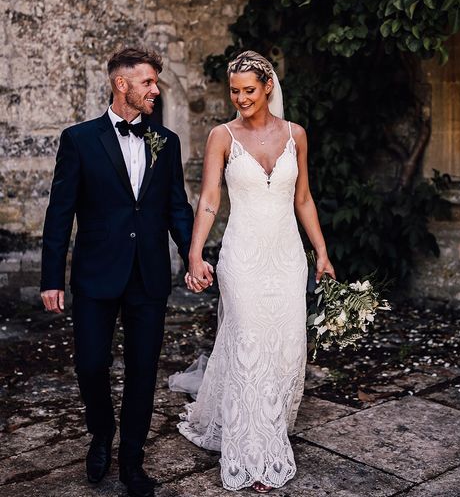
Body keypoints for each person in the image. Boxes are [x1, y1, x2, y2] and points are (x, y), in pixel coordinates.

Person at [40, 47, 204, 497]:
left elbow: (176, 206)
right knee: (91, 364)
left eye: (156, 82)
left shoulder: (165, 142)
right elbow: (60, 212)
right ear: (122, 84)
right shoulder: (79, 140)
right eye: (149, 82)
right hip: (95, 276)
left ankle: (133, 459)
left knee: (143, 370)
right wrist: (51, 277)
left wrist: (192, 256)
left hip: (148, 276)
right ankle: (100, 434)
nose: (155, 90)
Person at [172, 50, 335, 493]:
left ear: (268, 88)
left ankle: (269, 426)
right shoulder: (221, 136)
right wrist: (193, 253)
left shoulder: (296, 135)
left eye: (249, 90)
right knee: (247, 344)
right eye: (235, 91)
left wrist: (321, 252)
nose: (241, 98)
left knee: (284, 348)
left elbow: (303, 198)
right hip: (241, 258)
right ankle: (253, 454)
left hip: (286, 258)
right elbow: (209, 199)